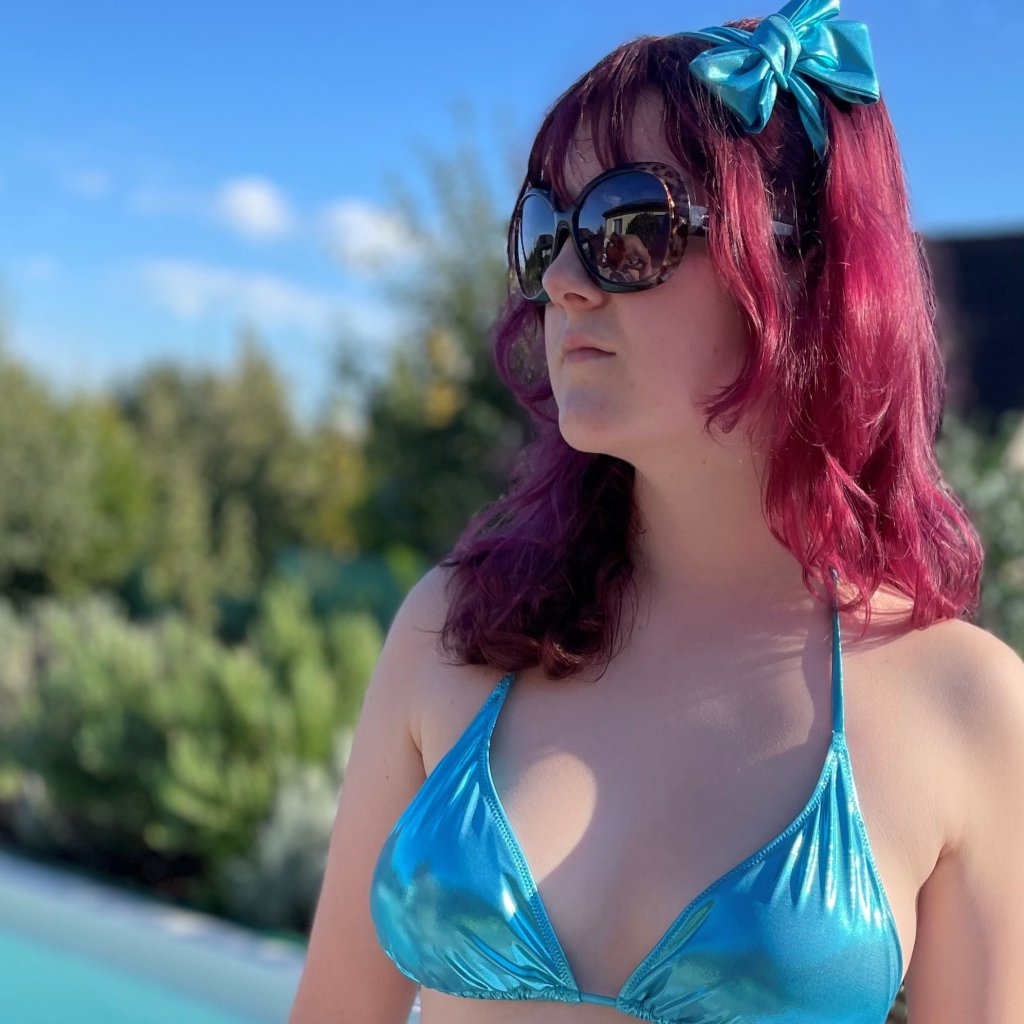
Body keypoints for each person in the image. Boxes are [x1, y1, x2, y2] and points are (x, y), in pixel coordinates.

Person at [288, 2, 1024, 1022]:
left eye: (629, 227)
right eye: (544, 233)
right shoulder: (455, 630)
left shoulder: (966, 706)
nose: (563, 282)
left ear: (807, 268)